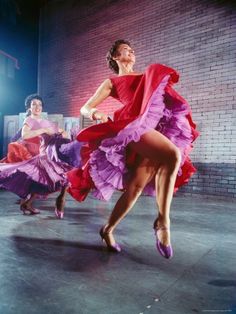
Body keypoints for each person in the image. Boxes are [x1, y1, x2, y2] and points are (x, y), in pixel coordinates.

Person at [67, 39, 199, 258]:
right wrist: (96, 114)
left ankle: (107, 229)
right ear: (115, 57)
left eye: (132, 49)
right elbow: (85, 107)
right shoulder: (111, 82)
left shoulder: (146, 76)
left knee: (136, 188)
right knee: (172, 156)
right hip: (134, 127)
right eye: (125, 50)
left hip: (155, 127)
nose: (131, 51)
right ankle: (163, 222)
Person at [0, 94, 81, 218]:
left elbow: (61, 132)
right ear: (29, 107)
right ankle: (57, 200)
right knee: (46, 181)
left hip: (53, 154)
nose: (37, 107)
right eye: (34, 104)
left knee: (58, 177)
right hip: (44, 156)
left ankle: (33, 203)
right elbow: (25, 135)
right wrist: (43, 131)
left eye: (39, 105)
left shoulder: (45, 121)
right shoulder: (29, 120)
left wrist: (66, 135)